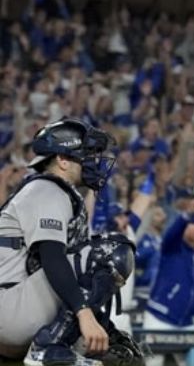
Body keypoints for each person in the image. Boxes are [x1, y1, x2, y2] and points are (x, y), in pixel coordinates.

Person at [0, 118, 140, 365]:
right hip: (11, 306)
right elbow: (52, 258)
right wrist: (84, 314)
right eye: (87, 154)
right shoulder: (47, 189)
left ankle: (55, 343)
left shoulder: (51, 191)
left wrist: (104, 325)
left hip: (16, 308)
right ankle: (47, 347)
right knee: (111, 252)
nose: (94, 161)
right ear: (63, 160)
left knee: (119, 350)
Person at [144, 193, 194, 366]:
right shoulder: (172, 247)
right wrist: (187, 214)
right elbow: (172, 234)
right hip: (158, 318)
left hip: (187, 323)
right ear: (186, 225)